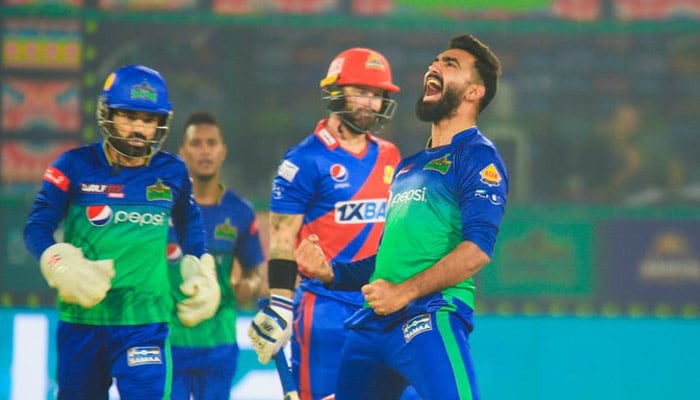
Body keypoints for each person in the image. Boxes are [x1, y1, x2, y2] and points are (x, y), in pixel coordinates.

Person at [294, 34, 508, 399]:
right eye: (434, 61)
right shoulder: (408, 166)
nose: (434, 66)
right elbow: (387, 261)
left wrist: (403, 293)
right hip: (372, 325)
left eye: (449, 64)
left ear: (474, 92)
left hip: (429, 315)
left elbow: (477, 250)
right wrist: (331, 272)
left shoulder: (477, 157)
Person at [23, 65, 220, 399]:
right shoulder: (72, 165)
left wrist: (200, 265)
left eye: (148, 119)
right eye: (129, 116)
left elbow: (190, 223)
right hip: (82, 321)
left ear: (161, 123)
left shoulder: (172, 171)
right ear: (107, 114)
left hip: (144, 324)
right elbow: (38, 226)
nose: (138, 129)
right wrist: (56, 260)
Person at [247, 47, 402, 400]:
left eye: (377, 95)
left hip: (380, 306)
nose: (370, 102)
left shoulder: (390, 155)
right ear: (336, 91)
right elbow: (283, 238)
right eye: (361, 91)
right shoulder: (304, 160)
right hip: (324, 312)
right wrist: (281, 305)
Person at [167, 111, 265, 399]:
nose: (205, 151)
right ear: (183, 153)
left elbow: (253, 273)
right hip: (170, 340)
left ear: (223, 151)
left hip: (218, 343)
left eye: (211, 143)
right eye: (196, 144)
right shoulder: (163, 209)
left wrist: (247, 287)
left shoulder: (239, 212)